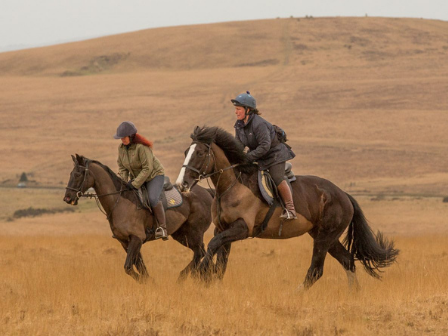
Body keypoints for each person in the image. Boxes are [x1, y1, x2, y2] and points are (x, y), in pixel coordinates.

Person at [232, 92, 297, 219]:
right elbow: (238, 146)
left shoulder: (259, 124)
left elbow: (265, 146)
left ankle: (290, 209)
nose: (236, 112)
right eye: (236, 109)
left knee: (277, 177)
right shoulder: (239, 125)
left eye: (238, 109)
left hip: (274, 155)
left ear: (248, 110)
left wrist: (248, 158)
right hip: (259, 156)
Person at [114, 121, 168, 239]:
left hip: (154, 176)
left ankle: (162, 228)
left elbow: (147, 168)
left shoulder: (142, 148)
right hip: (138, 177)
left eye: (124, 137)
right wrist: (124, 182)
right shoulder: (121, 148)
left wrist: (134, 183)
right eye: (120, 137)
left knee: (153, 199)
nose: (122, 139)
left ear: (131, 136)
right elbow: (122, 167)